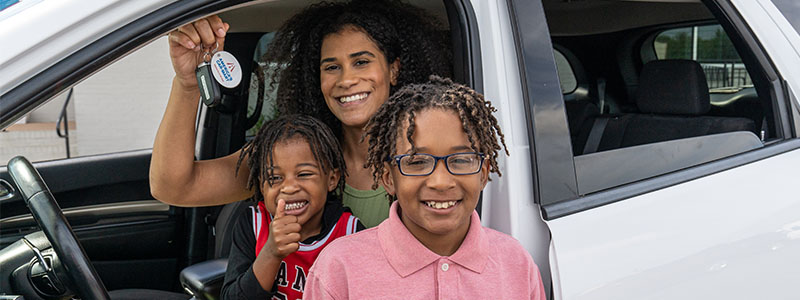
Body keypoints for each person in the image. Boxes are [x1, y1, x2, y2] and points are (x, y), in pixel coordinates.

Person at [150, 0, 451, 228]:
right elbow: (173, 186)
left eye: (361, 62)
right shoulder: (294, 153)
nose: (346, 79)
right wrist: (188, 84)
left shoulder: (430, 159)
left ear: (394, 70)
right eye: (332, 67)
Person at [303, 76, 546, 299]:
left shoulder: (516, 264)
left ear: (483, 173)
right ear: (388, 178)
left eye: (461, 160)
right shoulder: (339, 269)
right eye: (417, 162)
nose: (440, 182)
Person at [221, 114, 364, 299]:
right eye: (274, 178)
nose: (289, 188)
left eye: (304, 174)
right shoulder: (254, 224)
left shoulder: (350, 233)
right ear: (262, 185)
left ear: (332, 179)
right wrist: (271, 253)